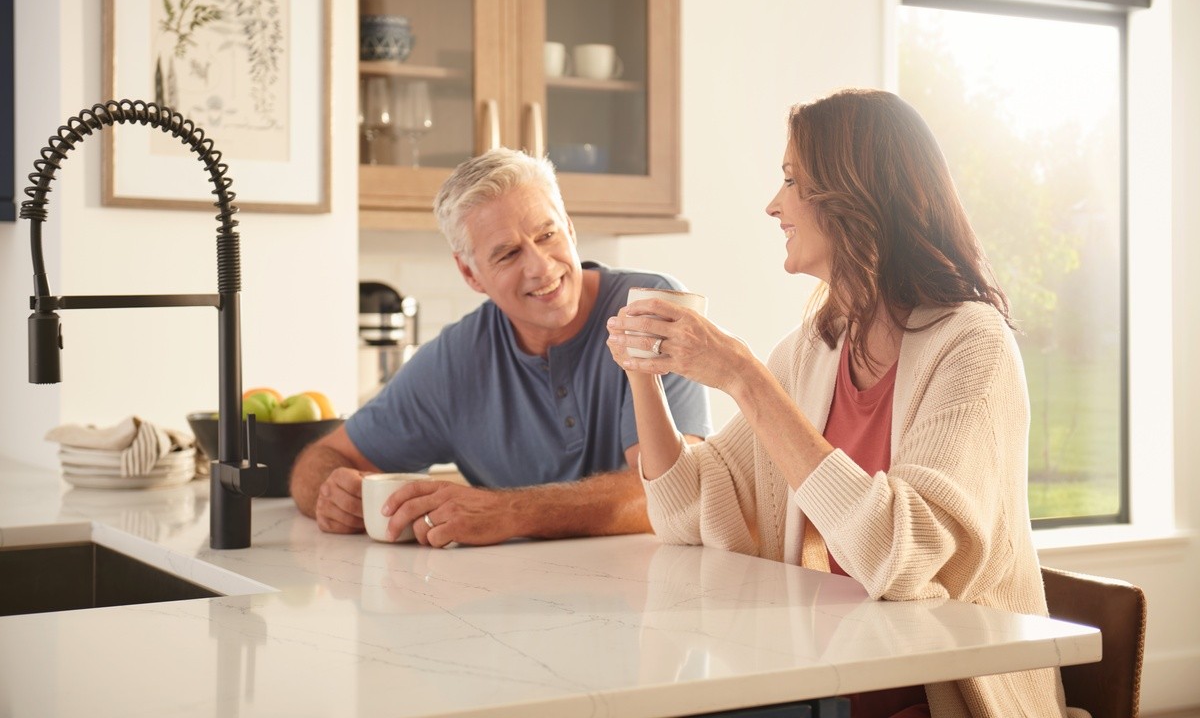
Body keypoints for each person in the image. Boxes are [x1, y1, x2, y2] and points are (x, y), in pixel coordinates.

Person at [605, 89, 1068, 717]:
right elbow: (686, 513)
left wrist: (743, 376)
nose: (774, 205)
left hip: (938, 697)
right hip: (826, 679)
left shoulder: (971, 346)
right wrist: (643, 373)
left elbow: (898, 558)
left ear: (855, 195)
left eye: (792, 181)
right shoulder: (813, 351)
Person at [290, 147, 711, 548]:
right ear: (471, 274)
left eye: (547, 235)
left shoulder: (651, 307)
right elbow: (321, 460)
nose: (540, 267)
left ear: (570, 228)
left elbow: (671, 493)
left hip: (650, 597)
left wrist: (510, 512)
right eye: (508, 254)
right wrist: (332, 495)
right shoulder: (455, 361)